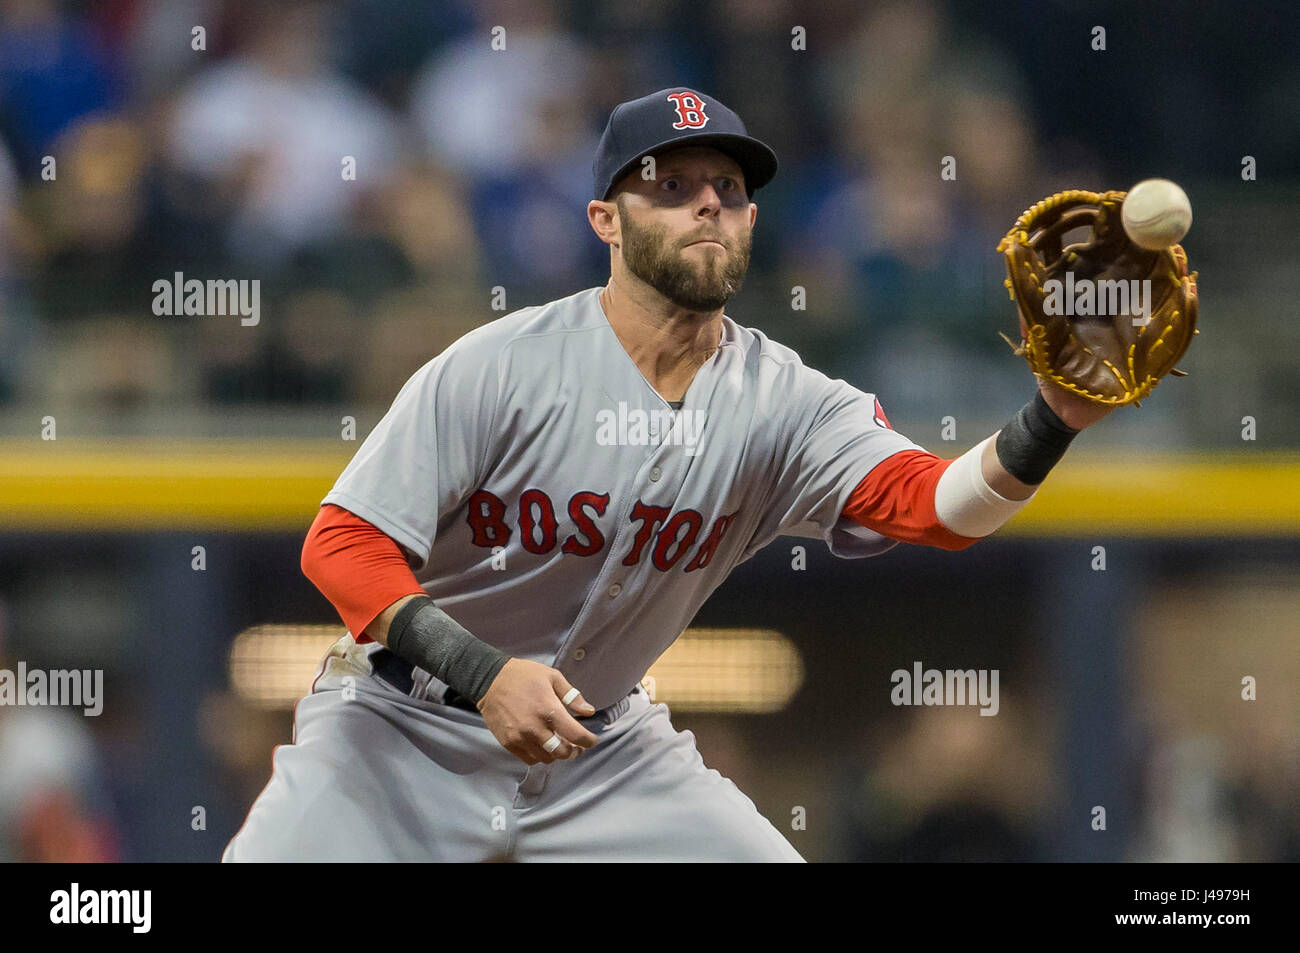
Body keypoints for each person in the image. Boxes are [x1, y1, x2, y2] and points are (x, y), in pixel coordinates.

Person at [223, 88, 1107, 862]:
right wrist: (485, 670)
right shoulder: (499, 365)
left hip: (604, 755)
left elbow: (941, 509)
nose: (708, 206)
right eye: (672, 187)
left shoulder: (785, 400)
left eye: (729, 189)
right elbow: (341, 544)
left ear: (754, 220)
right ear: (606, 218)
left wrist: (1050, 420)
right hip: (397, 729)